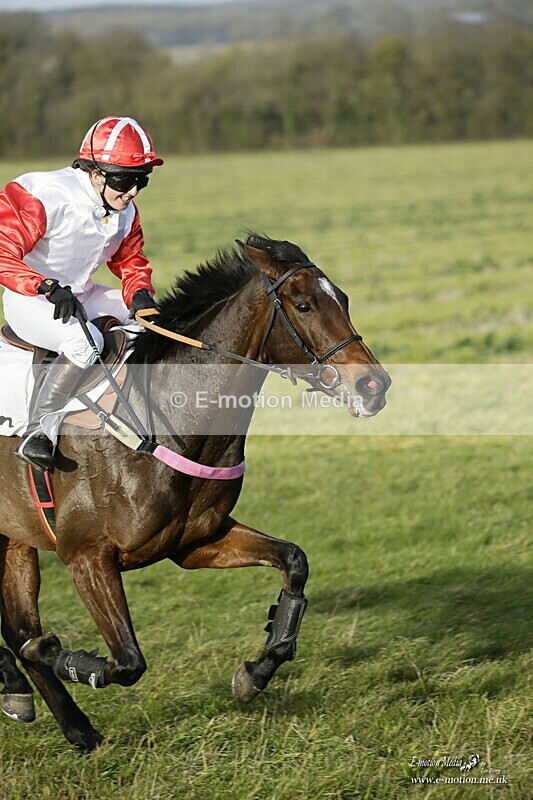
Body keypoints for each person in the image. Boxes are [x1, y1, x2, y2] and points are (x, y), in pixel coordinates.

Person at [0, 116, 163, 470]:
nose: (132, 191)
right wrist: (43, 286)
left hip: (79, 293)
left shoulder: (125, 211)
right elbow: (2, 250)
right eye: (124, 179)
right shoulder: (43, 195)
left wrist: (139, 295)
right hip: (29, 298)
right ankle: (38, 431)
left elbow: (131, 261)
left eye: (141, 181)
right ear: (95, 172)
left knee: (154, 323)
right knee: (84, 343)